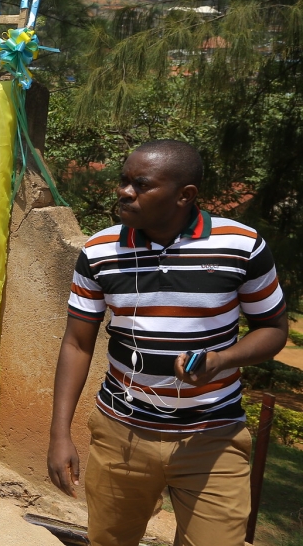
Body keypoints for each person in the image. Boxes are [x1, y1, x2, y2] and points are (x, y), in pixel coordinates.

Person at [47, 140, 288, 546]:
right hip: (121, 433)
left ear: (185, 195)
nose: (125, 192)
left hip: (213, 435)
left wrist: (220, 360)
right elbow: (77, 344)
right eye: (123, 181)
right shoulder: (100, 250)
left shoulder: (241, 246)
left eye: (141, 185)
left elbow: (273, 330)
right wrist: (60, 434)